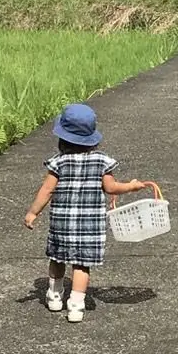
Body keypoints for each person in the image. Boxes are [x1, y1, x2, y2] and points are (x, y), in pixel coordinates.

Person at [24, 102, 154, 323]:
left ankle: (55, 296)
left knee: (57, 258)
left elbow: (46, 190)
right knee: (81, 264)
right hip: (90, 226)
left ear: (62, 138)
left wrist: (33, 213)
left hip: (62, 224)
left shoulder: (58, 162)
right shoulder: (102, 161)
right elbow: (111, 188)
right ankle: (76, 305)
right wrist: (131, 186)